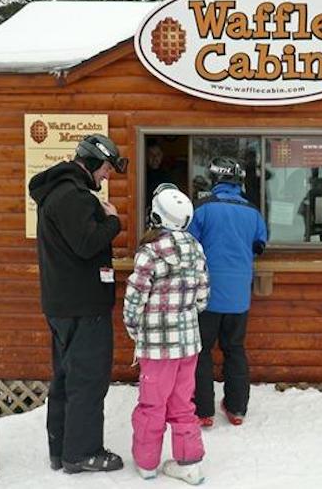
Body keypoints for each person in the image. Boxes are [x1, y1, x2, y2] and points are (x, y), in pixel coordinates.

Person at [28, 133, 128, 473]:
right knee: (88, 380)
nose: (107, 176)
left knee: (66, 377)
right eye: (106, 169)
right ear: (94, 162)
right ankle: (81, 453)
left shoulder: (56, 193)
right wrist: (113, 221)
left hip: (62, 303)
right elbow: (87, 244)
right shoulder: (75, 197)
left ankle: (61, 449)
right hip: (84, 307)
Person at [124, 183, 209, 485]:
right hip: (188, 344)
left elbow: (135, 300)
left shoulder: (150, 252)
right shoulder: (196, 247)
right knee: (184, 403)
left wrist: (136, 331)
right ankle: (189, 463)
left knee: (152, 404)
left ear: (157, 217)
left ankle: (147, 463)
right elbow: (202, 297)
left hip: (158, 347)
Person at [188, 157, 268, 427]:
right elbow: (260, 244)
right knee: (235, 349)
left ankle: (203, 411)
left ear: (215, 180)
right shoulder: (253, 212)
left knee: (202, 351)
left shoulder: (202, 208)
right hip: (238, 296)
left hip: (206, 295)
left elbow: (188, 245)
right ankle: (237, 409)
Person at [145, 139, 175, 209]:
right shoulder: (141, 176)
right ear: (145, 156)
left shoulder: (168, 177)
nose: (155, 158)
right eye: (151, 154)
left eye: (158, 154)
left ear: (162, 156)